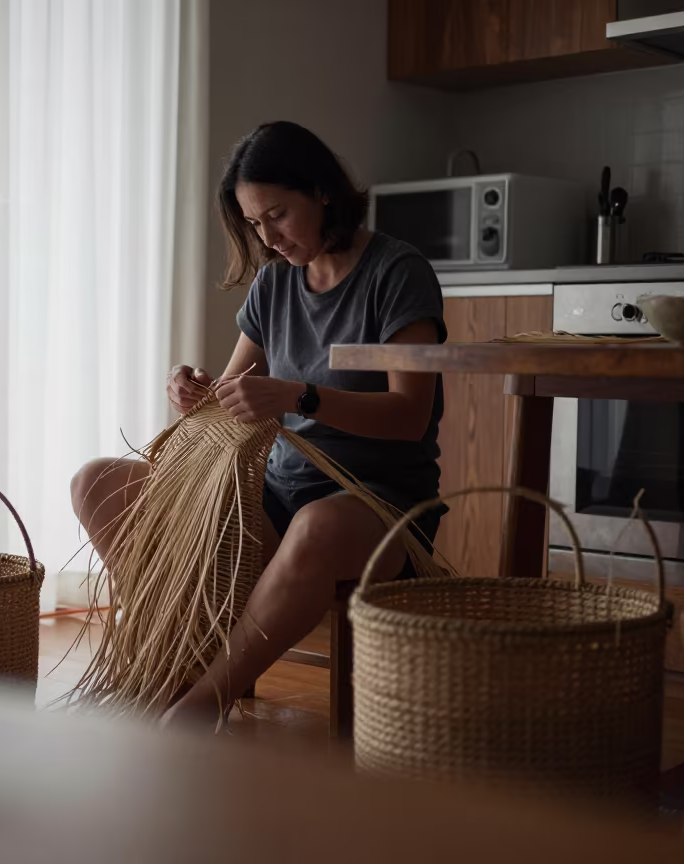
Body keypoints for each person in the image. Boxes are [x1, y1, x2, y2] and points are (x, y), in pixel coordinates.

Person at [70, 121, 447, 728]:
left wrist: (301, 396)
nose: (268, 239)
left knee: (316, 526)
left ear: (323, 192)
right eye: (253, 224)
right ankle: (182, 658)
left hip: (377, 506)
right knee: (96, 481)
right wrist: (189, 388)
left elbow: (410, 417)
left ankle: (200, 703)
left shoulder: (397, 273)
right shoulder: (274, 285)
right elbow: (227, 400)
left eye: (278, 214)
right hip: (271, 500)